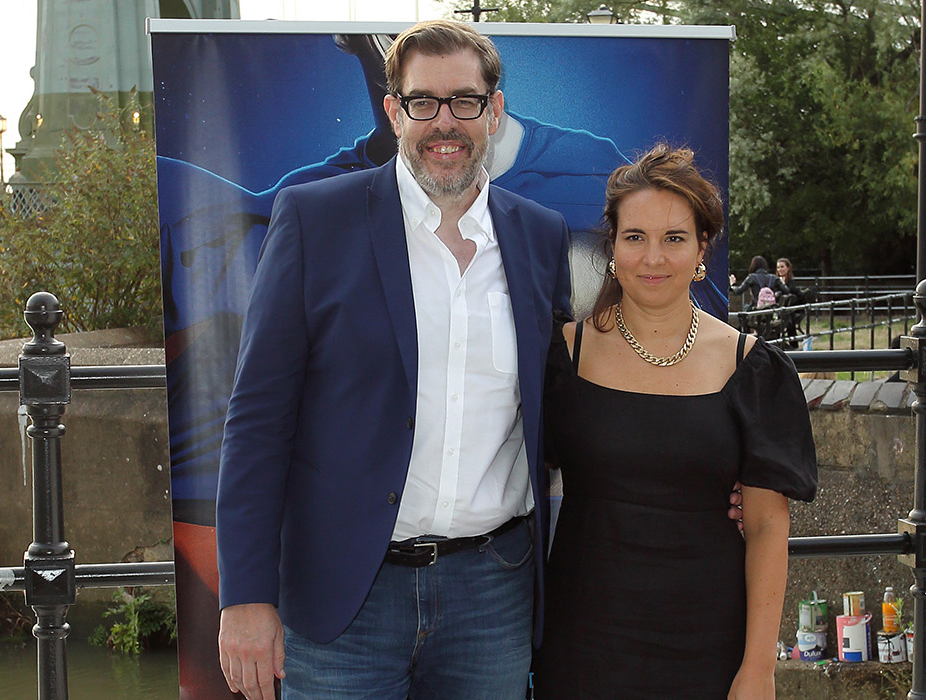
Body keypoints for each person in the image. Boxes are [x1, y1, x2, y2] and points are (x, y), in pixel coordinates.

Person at [214, 22, 743, 700]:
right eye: (423, 102)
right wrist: (246, 595)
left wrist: (695, 472)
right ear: (393, 111)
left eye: (464, 101)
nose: (444, 122)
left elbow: (584, 380)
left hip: (491, 595)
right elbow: (256, 422)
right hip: (343, 597)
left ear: (493, 111)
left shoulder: (537, 235)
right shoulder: (314, 220)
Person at [533, 144, 818, 699]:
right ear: (611, 247)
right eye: (635, 237)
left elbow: (765, 527)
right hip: (584, 643)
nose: (653, 258)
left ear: (702, 248)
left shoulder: (753, 369)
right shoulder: (560, 357)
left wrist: (758, 669)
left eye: (674, 238)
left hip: (708, 645)